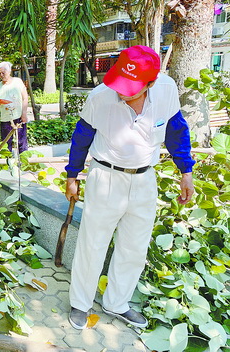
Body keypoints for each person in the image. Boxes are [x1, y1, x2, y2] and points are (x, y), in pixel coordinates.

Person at [65, 46, 195, 330]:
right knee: (93, 244)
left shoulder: (166, 90)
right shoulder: (99, 97)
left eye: (131, 87)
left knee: (134, 246)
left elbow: (176, 130)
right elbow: (82, 136)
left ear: (151, 82)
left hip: (145, 179)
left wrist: (186, 171)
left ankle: (117, 302)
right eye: (120, 83)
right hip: (106, 177)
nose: (122, 92)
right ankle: (80, 303)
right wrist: (72, 176)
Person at [0, 61, 29, 154]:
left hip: (18, 116)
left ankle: (24, 163)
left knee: (22, 142)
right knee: (5, 143)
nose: (1, 75)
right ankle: (6, 164)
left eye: (3, 72)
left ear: (9, 71)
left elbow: (25, 98)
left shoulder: (17, 81)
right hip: (5, 119)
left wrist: (24, 114)